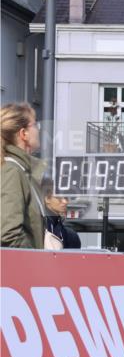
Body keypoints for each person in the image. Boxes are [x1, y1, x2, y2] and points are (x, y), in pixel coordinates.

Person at [1, 103, 45, 249]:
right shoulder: (12, 172)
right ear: (23, 134)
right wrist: (35, 261)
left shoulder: (22, 171)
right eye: (35, 125)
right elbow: (8, 235)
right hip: (21, 269)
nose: (39, 130)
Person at [41, 178, 81, 249]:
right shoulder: (41, 226)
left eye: (66, 197)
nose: (65, 202)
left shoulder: (67, 233)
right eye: (59, 197)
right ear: (47, 199)